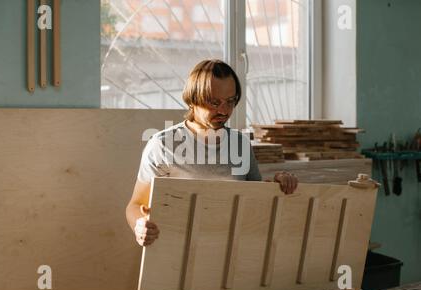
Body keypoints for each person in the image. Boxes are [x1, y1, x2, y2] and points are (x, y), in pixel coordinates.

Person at [126, 59, 298, 247]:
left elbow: (255, 200)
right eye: (214, 103)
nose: (224, 111)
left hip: (231, 253)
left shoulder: (240, 144)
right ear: (193, 100)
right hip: (176, 254)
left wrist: (278, 184)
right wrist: (139, 225)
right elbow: (135, 206)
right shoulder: (163, 145)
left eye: (230, 101)